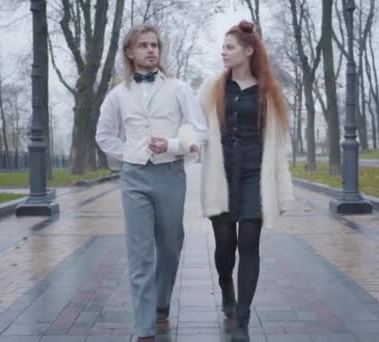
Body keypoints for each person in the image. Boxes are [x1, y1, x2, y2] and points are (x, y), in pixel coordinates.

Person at [96, 23, 207, 342]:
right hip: (134, 178)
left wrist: (173, 145)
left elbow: (201, 131)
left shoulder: (179, 88)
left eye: (154, 45)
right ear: (130, 53)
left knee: (170, 246)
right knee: (140, 252)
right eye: (143, 45)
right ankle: (145, 328)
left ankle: (162, 302)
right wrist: (130, 153)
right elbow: (103, 135)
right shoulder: (118, 94)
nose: (150, 50)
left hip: (171, 174)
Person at [197, 20, 293, 341]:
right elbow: (194, 124)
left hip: (254, 176)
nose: (223, 52)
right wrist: (188, 143)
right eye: (223, 47)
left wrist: (281, 185)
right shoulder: (213, 88)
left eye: (230, 47)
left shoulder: (269, 91)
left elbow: (279, 143)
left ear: (248, 51)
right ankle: (226, 285)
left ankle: (243, 316)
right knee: (226, 246)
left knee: (249, 244)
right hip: (220, 176)